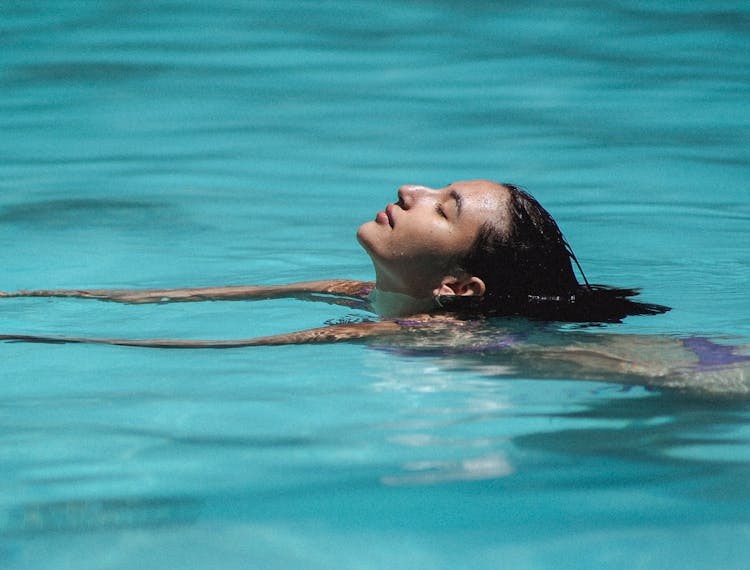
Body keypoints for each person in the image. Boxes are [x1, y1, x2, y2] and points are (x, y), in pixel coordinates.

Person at [0, 179, 748, 393]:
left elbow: (203, 345)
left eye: (444, 207)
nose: (412, 188)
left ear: (457, 287)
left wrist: (32, 338)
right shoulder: (358, 292)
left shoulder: (410, 328)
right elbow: (165, 302)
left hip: (678, 372)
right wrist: (18, 301)